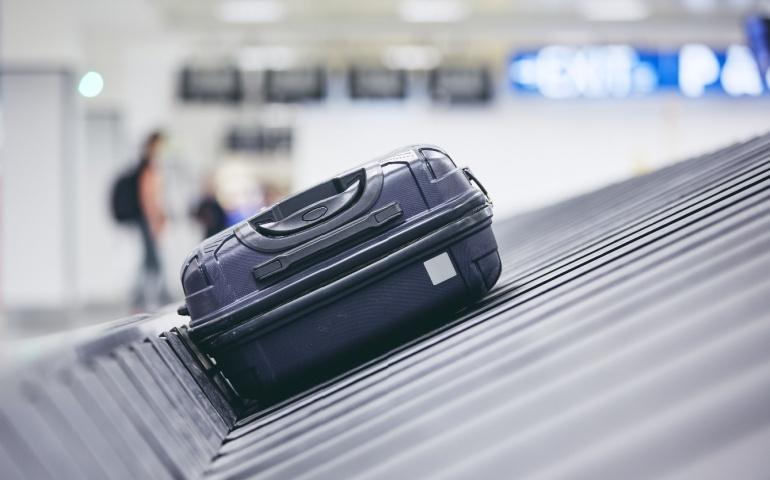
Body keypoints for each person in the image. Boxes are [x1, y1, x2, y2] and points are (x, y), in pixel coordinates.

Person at [133, 130, 171, 310]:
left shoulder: (151, 167)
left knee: (149, 262)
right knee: (153, 262)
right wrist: (154, 223)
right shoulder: (147, 169)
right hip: (148, 222)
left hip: (150, 221)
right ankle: (151, 300)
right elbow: (148, 199)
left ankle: (143, 300)